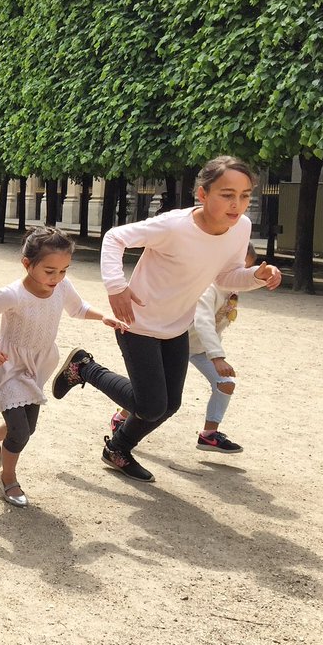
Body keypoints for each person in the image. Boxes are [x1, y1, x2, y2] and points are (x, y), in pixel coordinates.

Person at [50, 156, 281, 482]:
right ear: (202, 194)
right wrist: (117, 287)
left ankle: (117, 449)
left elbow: (226, 276)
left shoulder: (240, 227)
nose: (237, 204)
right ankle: (84, 367)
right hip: (137, 321)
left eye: (245, 195)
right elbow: (115, 237)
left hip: (177, 326)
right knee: (151, 405)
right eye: (227, 194)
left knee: (169, 405)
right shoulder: (174, 226)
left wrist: (256, 275)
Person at [0, 228, 125, 506]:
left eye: (64, 270)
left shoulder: (62, 287)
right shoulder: (13, 294)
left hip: (39, 366)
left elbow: (78, 308)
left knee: (28, 427)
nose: (57, 278)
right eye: (50, 271)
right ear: (27, 264)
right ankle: (8, 478)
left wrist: (103, 316)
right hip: (8, 367)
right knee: (20, 432)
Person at [108, 243, 259, 453]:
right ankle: (122, 418)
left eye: (246, 270)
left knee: (225, 383)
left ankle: (209, 435)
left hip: (200, 349)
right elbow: (204, 322)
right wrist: (218, 356)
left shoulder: (231, 290)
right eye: (238, 269)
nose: (241, 276)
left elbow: (217, 324)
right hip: (175, 344)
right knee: (155, 395)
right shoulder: (208, 288)